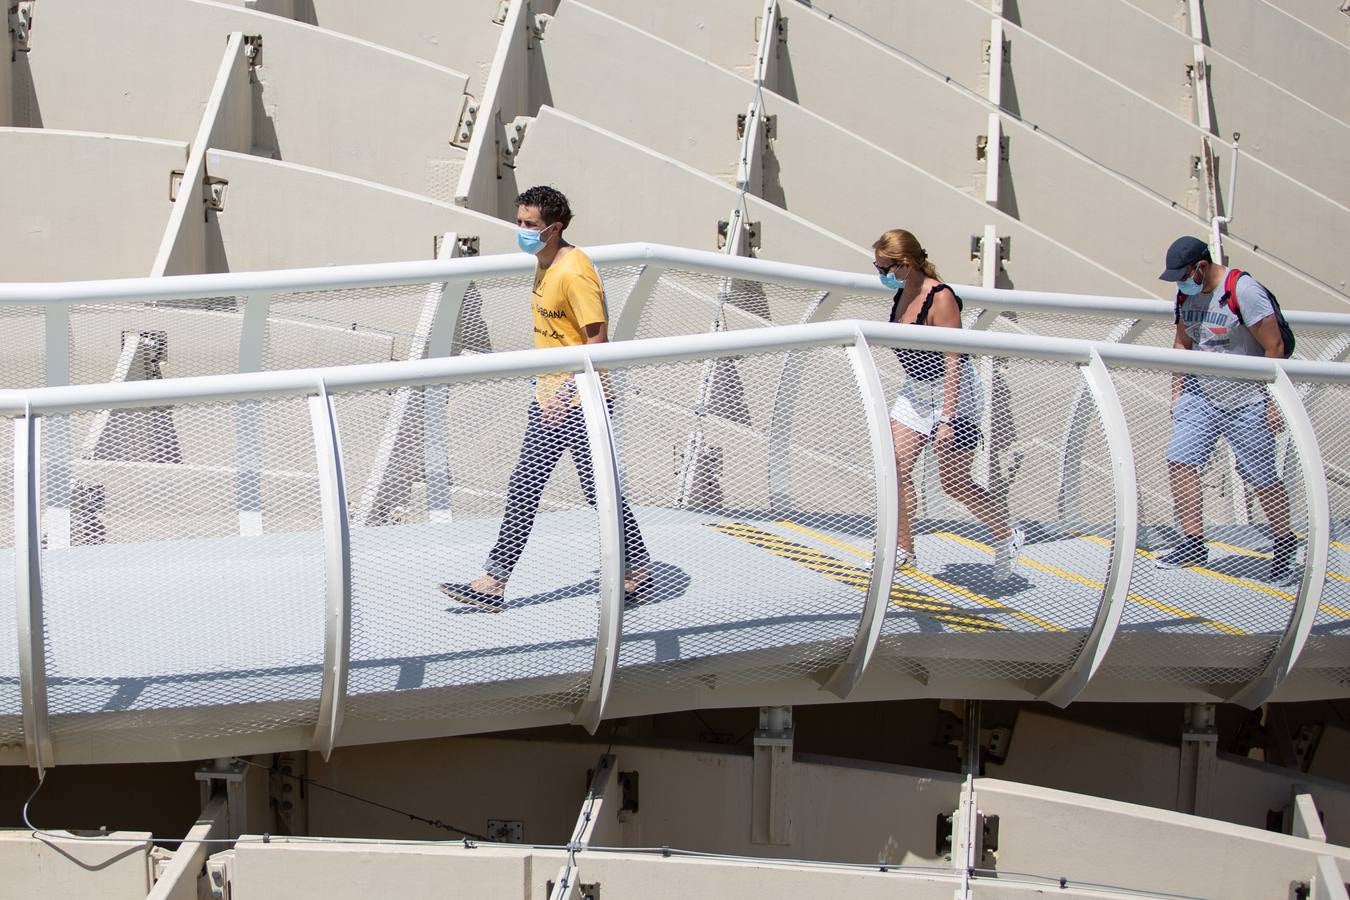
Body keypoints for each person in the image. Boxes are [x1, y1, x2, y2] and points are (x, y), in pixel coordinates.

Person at [441, 186, 651, 611]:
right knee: (526, 486)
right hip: (550, 402)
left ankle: (639, 568)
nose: (521, 230)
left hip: (582, 403)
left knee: (598, 492)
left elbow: (599, 342)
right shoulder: (544, 263)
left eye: (530, 226)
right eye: (519, 222)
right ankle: (493, 583)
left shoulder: (575, 273)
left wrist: (570, 391)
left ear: (554, 228)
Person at [873, 229, 1024, 580]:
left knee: (953, 481)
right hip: (916, 390)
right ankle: (903, 550)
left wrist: (947, 419)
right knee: (895, 465)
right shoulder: (901, 292)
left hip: (954, 392)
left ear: (906, 264)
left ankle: (1006, 534)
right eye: (876, 267)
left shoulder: (940, 298)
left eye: (885, 268)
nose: (881, 275)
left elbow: (954, 360)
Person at [1155, 235, 1296, 583]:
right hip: (1201, 394)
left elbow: (1274, 347)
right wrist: (1177, 393)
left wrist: (1273, 405)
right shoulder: (1186, 292)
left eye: (1184, 274)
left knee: (1259, 475)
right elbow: (1182, 343)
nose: (1179, 282)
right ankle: (1193, 542)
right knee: (1180, 460)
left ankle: (1284, 543)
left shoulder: (1243, 291)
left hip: (1247, 399)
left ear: (1202, 267)